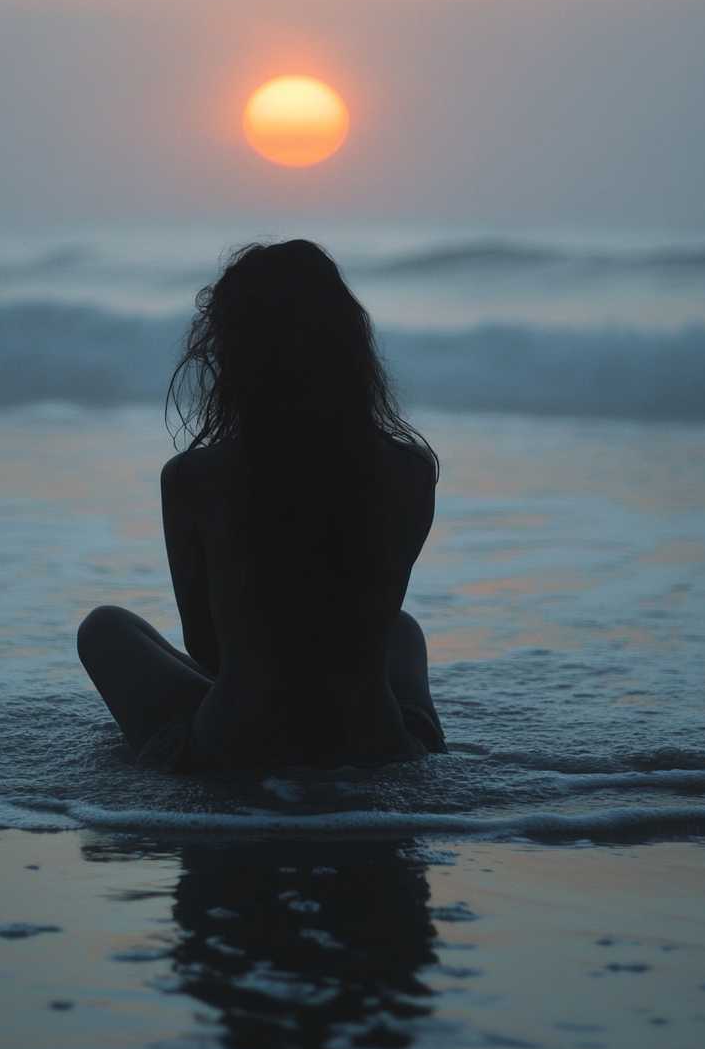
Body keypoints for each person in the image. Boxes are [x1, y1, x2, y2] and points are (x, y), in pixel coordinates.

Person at [77, 239, 447, 773]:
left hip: (237, 746)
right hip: (371, 744)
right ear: (348, 345)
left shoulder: (193, 477)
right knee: (402, 631)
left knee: (105, 628)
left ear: (236, 352)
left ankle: (264, 700)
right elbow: (366, 618)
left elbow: (207, 650)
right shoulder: (410, 469)